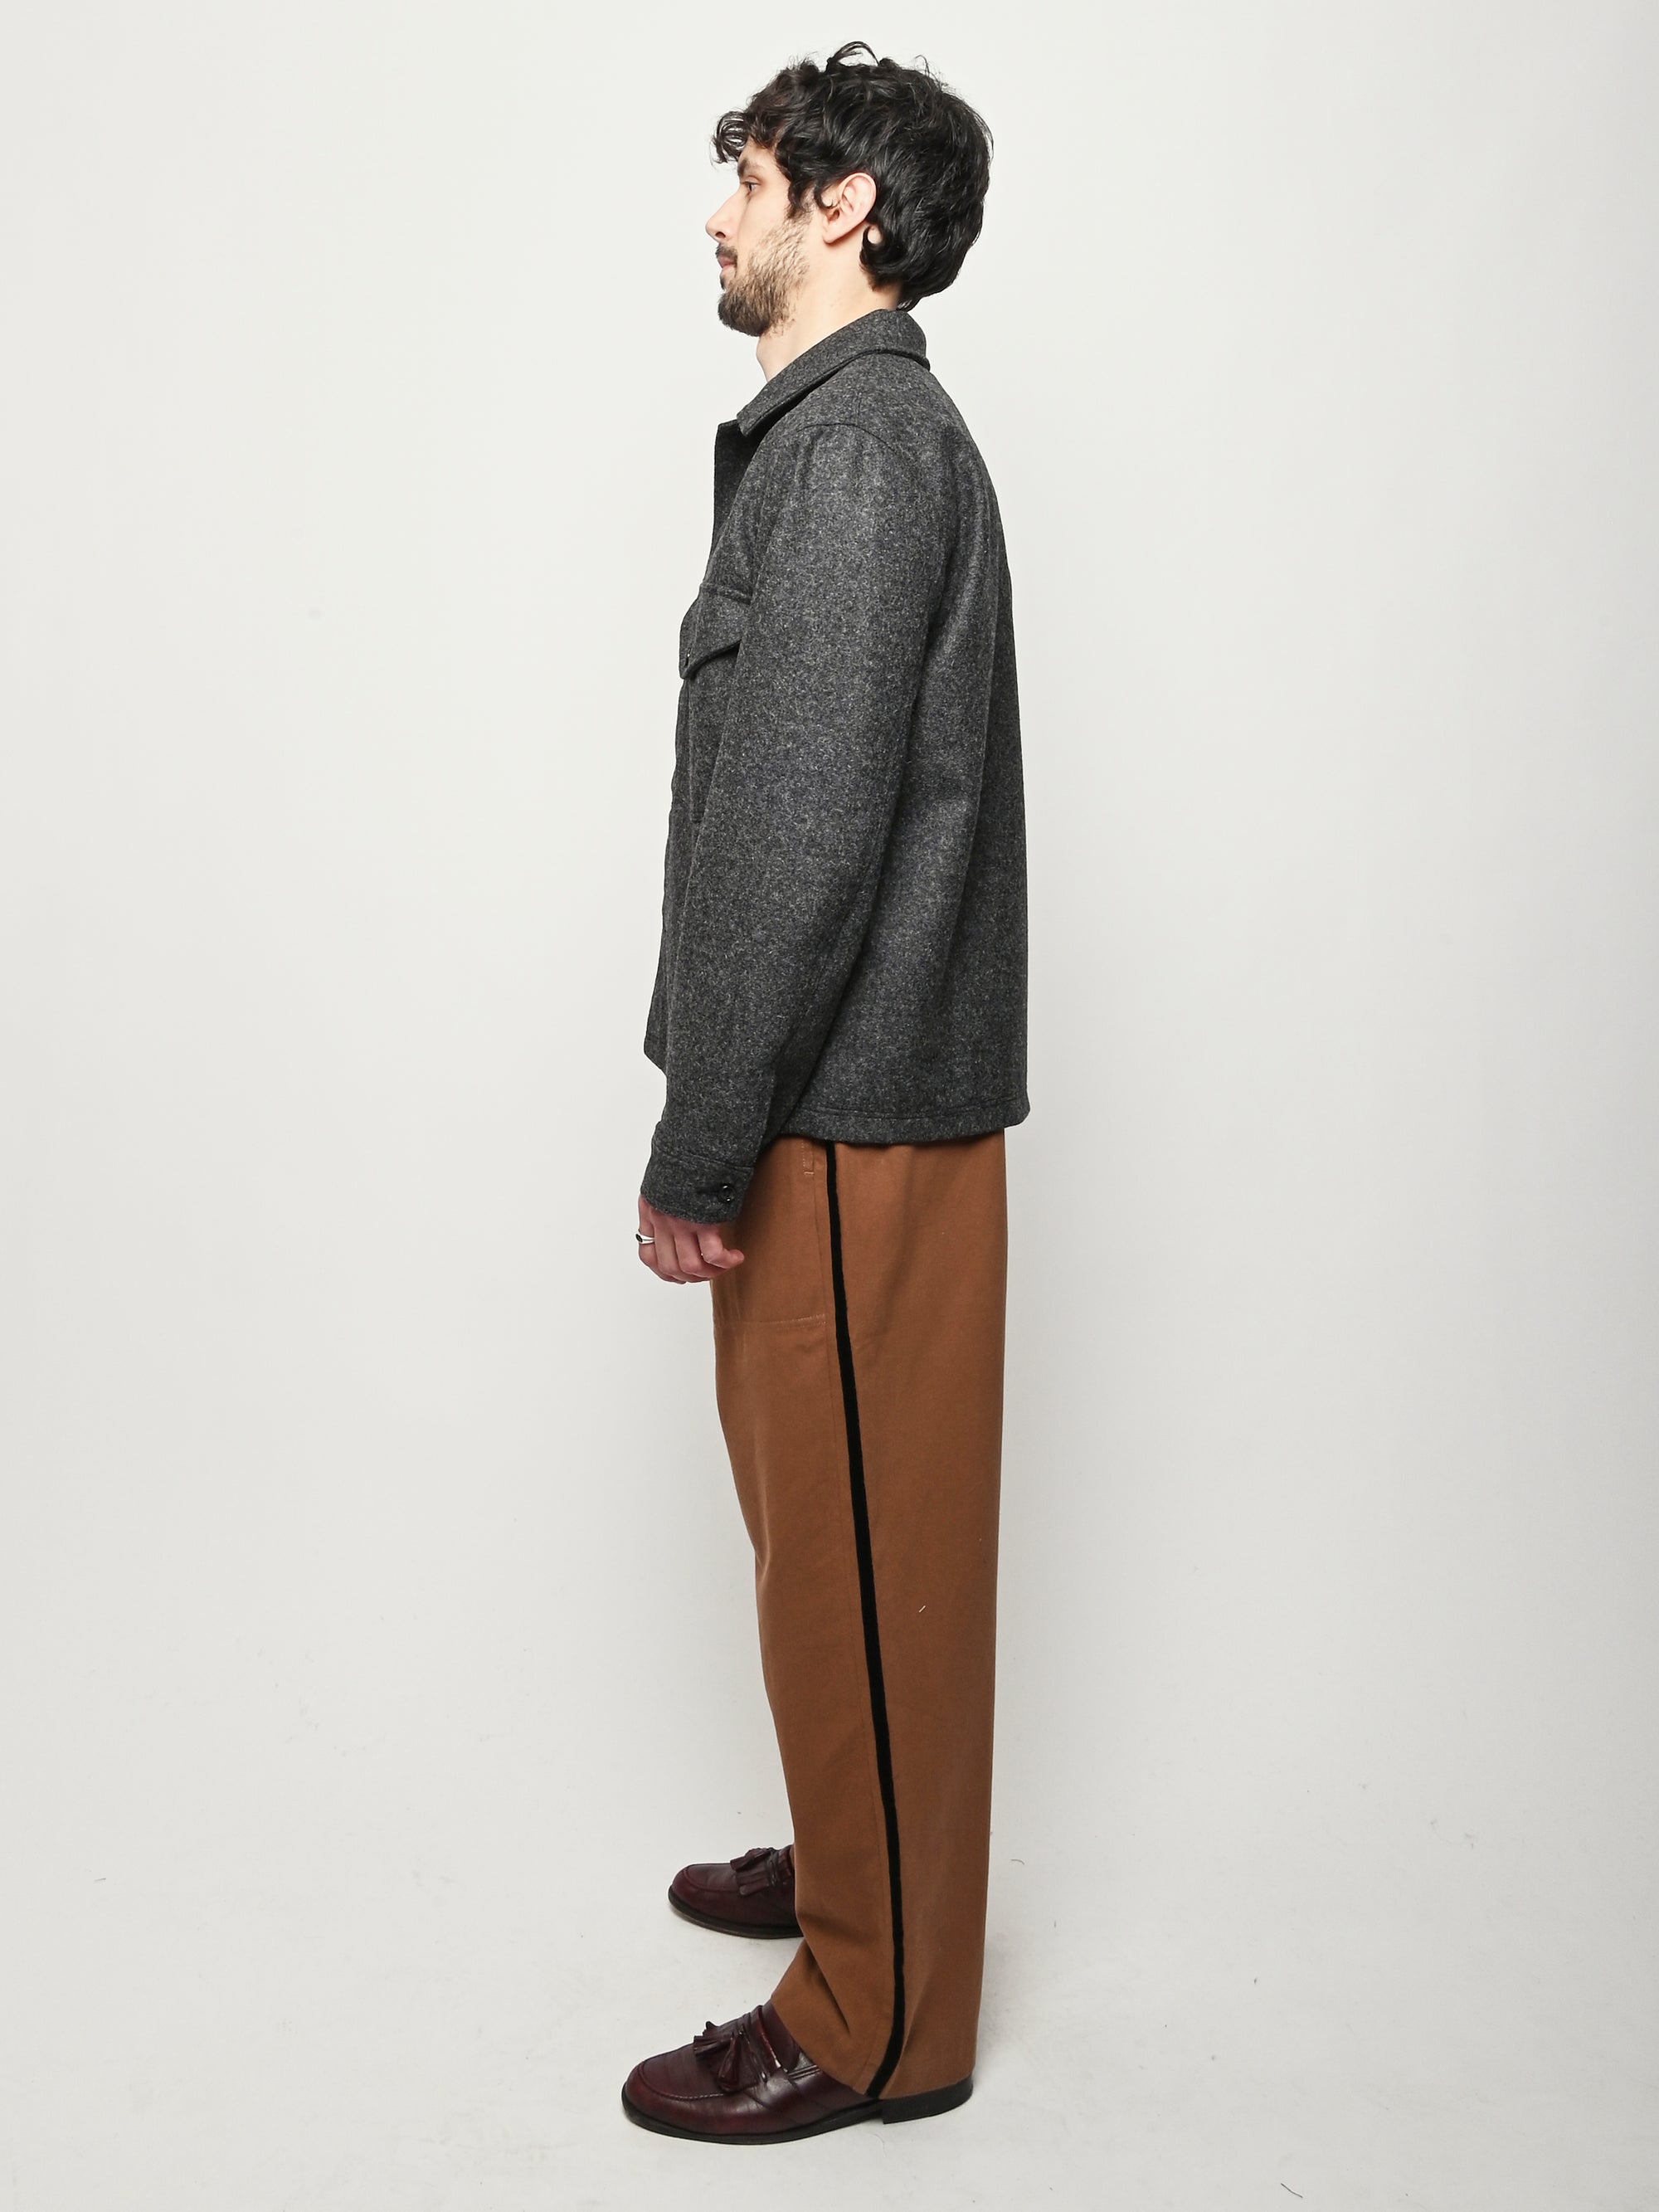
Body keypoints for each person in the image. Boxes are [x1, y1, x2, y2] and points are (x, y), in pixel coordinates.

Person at [623, 41, 1028, 2144]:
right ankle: (858, 1852)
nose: (719, 214)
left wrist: (702, 1139)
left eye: (749, 177)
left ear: (841, 206)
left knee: (866, 1561)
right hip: (828, 1104)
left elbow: (801, 838)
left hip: (849, 1123)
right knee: (830, 1550)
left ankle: (875, 2015)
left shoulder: (858, 451)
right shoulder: (840, 437)